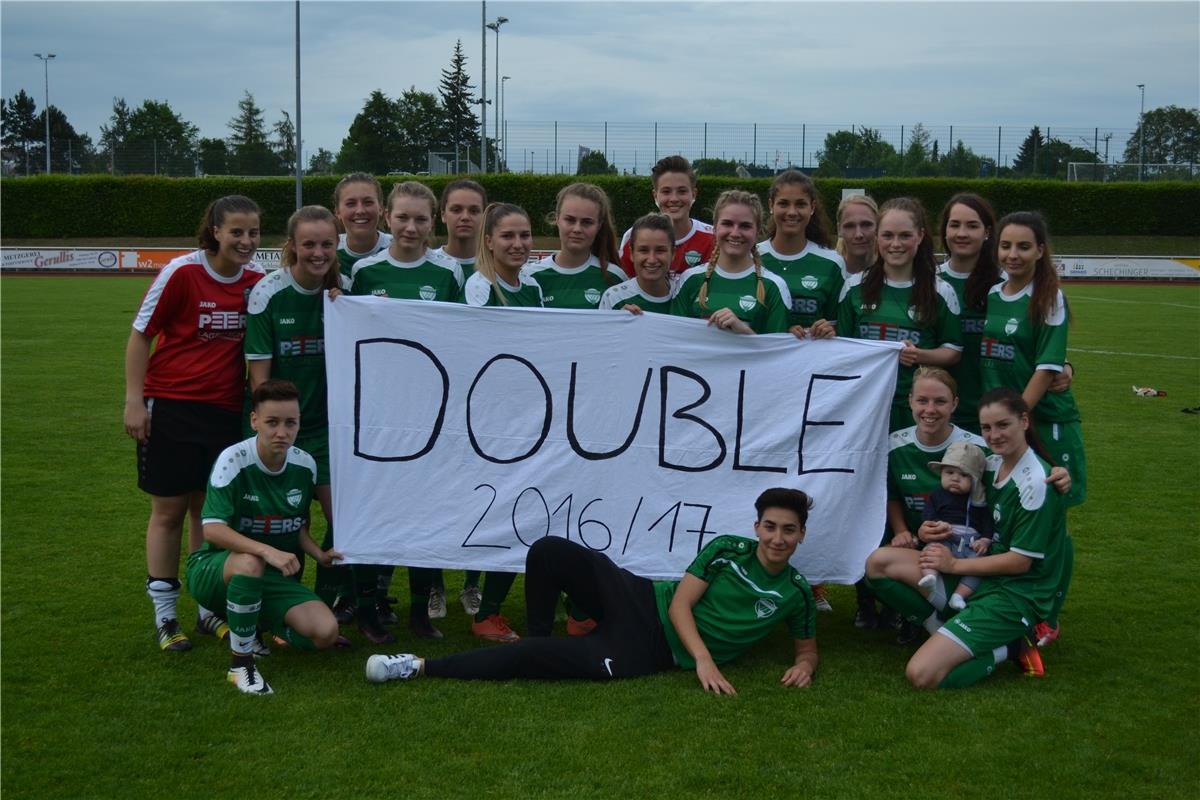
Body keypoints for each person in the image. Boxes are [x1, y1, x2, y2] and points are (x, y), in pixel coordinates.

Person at [365, 488, 819, 693]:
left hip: (649, 650)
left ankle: (416, 667)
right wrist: (705, 659)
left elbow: (807, 650)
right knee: (549, 550)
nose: (777, 539)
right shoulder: (726, 549)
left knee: (528, 661)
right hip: (642, 598)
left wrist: (804, 666)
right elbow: (682, 603)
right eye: (770, 527)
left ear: (801, 534)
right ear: (756, 526)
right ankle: (541, 634)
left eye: (789, 530)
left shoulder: (797, 593)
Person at [124, 194, 265, 652]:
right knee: (168, 512)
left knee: (208, 513)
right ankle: (166, 617)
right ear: (215, 232)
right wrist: (133, 400)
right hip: (170, 406)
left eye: (253, 232)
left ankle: (207, 609)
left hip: (224, 412)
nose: (245, 241)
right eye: (236, 232)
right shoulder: (183, 272)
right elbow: (141, 335)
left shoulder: (256, 281)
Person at [864, 388, 1070, 688]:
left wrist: (952, 565)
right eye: (986, 428)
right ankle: (940, 625)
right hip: (980, 572)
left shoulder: (1037, 483)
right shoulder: (993, 463)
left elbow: (1020, 562)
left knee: (922, 675)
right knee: (877, 563)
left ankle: (1014, 646)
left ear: (1024, 421)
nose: (994, 435)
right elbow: (957, 488)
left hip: (1014, 594)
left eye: (1003, 425)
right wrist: (924, 530)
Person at [348, 180, 465, 642]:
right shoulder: (364, 272)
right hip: (377, 418)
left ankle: (420, 613)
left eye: (420, 219)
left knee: (425, 514)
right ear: (387, 219)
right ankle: (370, 610)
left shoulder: (447, 273)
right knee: (373, 512)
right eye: (402, 217)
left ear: (432, 221)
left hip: (430, 417)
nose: (411, 227)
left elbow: (461, 341)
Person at [186, 379, 343, 695]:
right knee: (250, 562)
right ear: (254, 420)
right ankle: (241, 664)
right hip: (214, 571)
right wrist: (266, 552)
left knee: (325, 633)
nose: (281, 432)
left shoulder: (305, 465)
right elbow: (212, 529)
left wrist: (318, 554)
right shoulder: (232, 460)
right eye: (272, 422)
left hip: (271, 580)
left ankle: (255, 623)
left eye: (290, 423)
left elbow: (296, 526)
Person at [981, 211, 1082, 646]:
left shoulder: (1049, 297)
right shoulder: (992, 292)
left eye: (1024, 246)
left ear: (1041, 251)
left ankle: (1049, 612)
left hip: (1043, 420)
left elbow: (1045, 368)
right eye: (1006, 246)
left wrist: (1018, 419)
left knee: (1054, 521)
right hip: (1008, 423)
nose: (1013, 254)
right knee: (1016, 512)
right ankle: (1016, 595)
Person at [245, 205, 348, 624]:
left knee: (342, 518)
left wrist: (348, 306)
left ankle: (327, 602)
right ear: (292, 247)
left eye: (327, 244)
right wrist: (273, 432)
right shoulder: (268, 293)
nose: (318, 252)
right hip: (284, 431)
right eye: (309, 244)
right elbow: (260, 382)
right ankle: (284, 608)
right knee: (285, 522)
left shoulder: (345, 292)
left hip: (328, 430)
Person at [460, 202, 542, 642]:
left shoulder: (532, 286)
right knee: (501, 514)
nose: (518, 244)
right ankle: (483, 611)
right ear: (488, 240)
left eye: (525, 235)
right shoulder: (479, 287)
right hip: (487, 425)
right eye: (507, 236)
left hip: (525, 420)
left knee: (518, 513)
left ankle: (489, 607)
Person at [837, 197, 962, 431]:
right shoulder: (854, 287)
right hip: (864, 405)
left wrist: (918, 355)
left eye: (905, 236)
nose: (896, 244)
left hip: (917, 411)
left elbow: (953, 351)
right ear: (877, 237)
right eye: (887, 235)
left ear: (921, 236)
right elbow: (842, 347)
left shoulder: (941, 291)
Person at [428, 178, 489, 620]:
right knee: (437, 497)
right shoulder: (434, 268)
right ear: (443, 215)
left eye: (474, 209)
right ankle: (432, 586)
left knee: (483, 496)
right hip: (439, 405)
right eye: (457, 209)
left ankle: (472, 584)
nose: (465, 217)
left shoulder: (500, 267)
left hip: (487, 408)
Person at [672, 189, 791, 335]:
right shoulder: (690, 280)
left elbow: (778, 354)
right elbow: (674, 342)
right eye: (727, 224)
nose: (735, 233)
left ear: (757, 232)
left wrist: (744, 332)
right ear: (715, 228)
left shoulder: (774, 287)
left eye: (745, 226)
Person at [757, 169, 845, 340]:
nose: (792, 212)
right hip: (763, 362)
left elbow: (839, 326)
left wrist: (828, 329)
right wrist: (782, 330)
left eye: (800, 204)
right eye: (783, 204)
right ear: (771, 205)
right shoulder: (753, 257)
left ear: (812, 207)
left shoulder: (832, 263)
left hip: (812, 363)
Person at [937, 194, 998, 432]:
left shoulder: (1004, 286)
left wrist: (1064, 364)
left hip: (992, 415)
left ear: (987, 232)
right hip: (936, 414)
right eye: (955, 225)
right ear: (945, 231)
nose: (962, 233)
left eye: (972, 226)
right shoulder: (928, 282)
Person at [523, 182, 625, 309]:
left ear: (599, 225)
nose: (577, 229)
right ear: (557, 219)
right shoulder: (529, 276)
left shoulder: (615, 277)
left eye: (587, 222)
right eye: (570, 220)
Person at [919, 441, 993, 611]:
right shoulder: (937, 495)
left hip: (971, 542)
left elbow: (987, 522)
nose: (955, 478)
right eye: (949, 472)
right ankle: (930, 577)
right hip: (946, 536)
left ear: (975, 480)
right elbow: (928, 515)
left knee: (979, 564)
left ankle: (959, 595)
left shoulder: (979, 500)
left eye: (964, 475)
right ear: (941, 474)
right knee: (931, 550)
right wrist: (937, 524)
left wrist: (985, 541)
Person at [618, 155, 714, 277]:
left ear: (694, 194)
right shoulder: (633, 236)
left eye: (682, 191)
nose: (674, 199)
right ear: (655, 195)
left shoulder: (713, 238)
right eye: (666, 191)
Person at [599, 212, 676, 314]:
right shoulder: (614, 298)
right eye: (643, 250)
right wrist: (617, 321)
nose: (652, 260)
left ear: (673, 253)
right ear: (631, 253)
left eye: (660, 250)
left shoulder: (684, 294)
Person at [332, 172, 391, 273]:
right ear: (337, 212)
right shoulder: (327, 251)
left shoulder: (398, 248)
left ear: (380, 208)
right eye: (351, 204)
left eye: (368, 202)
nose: (360, 211)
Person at [834, 194, 879, 276]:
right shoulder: (828, 274)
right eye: (850, 226)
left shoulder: (892, 275)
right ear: (839, 229)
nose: (858, 234)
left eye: (866, 224)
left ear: (878, 226)